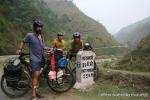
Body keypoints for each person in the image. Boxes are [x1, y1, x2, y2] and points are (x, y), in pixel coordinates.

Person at [16, 19, 48, 100]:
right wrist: (20, 49)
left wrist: (50, 48)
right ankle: (33, 95)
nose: (40, 28)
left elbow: (43, 47)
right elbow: (23, 41)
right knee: (36, 75)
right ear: (35, 28)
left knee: (38, 76)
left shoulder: (42, 37)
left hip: (41, 59)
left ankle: (36, 91)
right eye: (38, 27)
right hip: (34, 59)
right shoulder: (29, 35)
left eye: (41, 27)